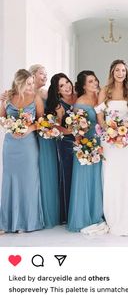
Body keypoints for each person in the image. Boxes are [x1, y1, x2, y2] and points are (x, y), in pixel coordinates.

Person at [96, 60, 128, 236]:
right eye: (117, 70)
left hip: (127, 141)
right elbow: (99, 114)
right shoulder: (105, 91)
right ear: (112, 72)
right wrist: (108, 130)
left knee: (126, 175)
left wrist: (125, 133)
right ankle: (112, 216)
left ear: (126, 73)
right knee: (110, 175)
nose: (120, 73)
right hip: (109, 140)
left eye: (123, 70)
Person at [0, 69, 44, 232]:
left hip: (28, 145)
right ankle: (8, 222)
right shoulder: (8, 97)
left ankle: (27, 222)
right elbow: (2, 118)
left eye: (33, 83)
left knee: (29, 181)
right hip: (11, 145)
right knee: (10, 181)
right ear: (19, 83)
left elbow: (42, 122)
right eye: (28, 84)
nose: (32, 87)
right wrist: (10, 127)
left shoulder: (36, 98)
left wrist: (28, 129)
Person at [68, 70, 107, 234]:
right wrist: (82, 146)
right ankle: (82, 217)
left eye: (95, 80)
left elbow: (104, 119)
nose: (95, 83)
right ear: (83, 86)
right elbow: (77, 128)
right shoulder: (80, 102)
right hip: (85, 144)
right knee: (84, 179)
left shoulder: (100, 97)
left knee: (97, 178)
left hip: (99, 143)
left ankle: (96, 214)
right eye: (90, 81)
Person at [29, 65, 60, 229]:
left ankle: (49, 213)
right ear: (33, 75)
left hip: (46, 137)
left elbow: (52, 112)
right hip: (31, 137)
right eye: (42, 73)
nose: (45, 76)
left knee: (47, 172)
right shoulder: (27, 93)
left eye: (46, 74)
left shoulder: (46, 93)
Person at [46, 73, 77, 223]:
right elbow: (56, 126)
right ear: (58, 90)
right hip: (66, 143)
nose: (67, 87)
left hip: (82, 140)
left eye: (67, 82)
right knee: (69, 175)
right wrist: (72, 131)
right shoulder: (59, 105)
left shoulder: (78, 97)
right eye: (62, 86)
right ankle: (67, 213)